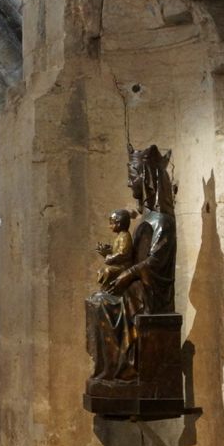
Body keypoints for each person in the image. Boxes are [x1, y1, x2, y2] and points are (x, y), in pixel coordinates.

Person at [87, 145, 176, 382]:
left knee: (103, 304)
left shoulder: (163, 222)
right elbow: (133, 256)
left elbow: (155, 261)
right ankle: (108, 368)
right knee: (96, 302)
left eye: (133, 177)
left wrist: (127, 276)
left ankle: (123, 369)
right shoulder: (146, 220)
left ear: (147, 179)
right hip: (137, 287)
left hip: (150, 294)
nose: (129, 184)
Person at [95, 209, 133, 291]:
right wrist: (107, 250)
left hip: (124, 266)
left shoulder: (125, 236)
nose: (109, 226)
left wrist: (110, 257)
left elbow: (122, 253)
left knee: (108, 271)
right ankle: (106, 290)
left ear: (118, 224)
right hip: (118, 265)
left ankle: (107, 290)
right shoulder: (120, 236)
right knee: (101, 271)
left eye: (111, 224)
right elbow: (116, 249)